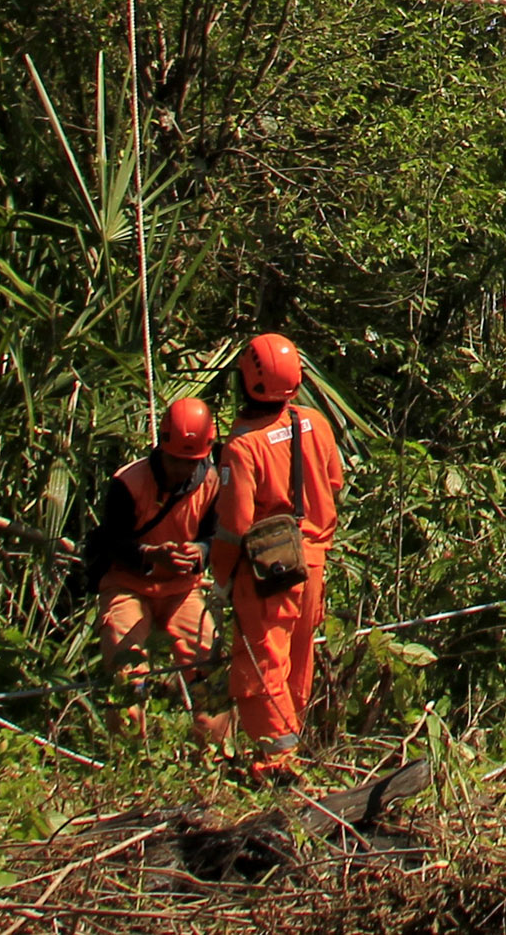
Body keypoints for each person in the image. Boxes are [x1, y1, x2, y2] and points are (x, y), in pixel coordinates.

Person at [207, 331, 343, 784]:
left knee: (263, 667)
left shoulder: (242, 448)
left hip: (268, 572)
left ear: (246, 382)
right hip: (314, 563)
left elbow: (234, 527)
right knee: (297, 664)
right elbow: (335, 485)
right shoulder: (316, 424)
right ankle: (293, 749)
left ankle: (276, 764)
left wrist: (221, 581)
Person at [81, 395, 221, 730]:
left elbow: (217, 537)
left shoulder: (213, 484)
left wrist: (200, 552)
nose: (182, 469)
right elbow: (113, 542)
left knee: (210, 668)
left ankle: (217, 758)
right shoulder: (127, 483)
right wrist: (150, 556)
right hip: (128, 585)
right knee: (127, 669)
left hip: (181, 589)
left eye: (191, 462)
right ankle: (128, 758)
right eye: (175, 461)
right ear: (162, 448)